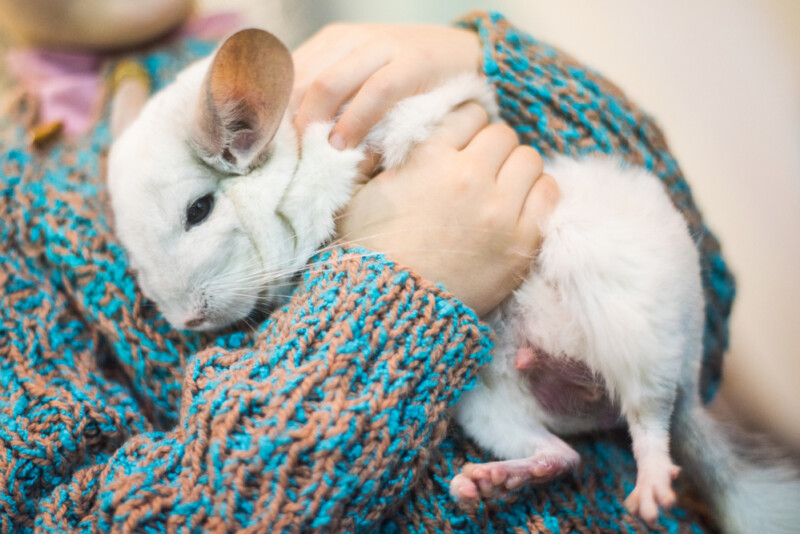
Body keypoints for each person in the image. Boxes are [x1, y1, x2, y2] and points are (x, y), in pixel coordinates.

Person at [0, 12, 731, 532]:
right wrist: (391, 296)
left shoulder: (315, 42)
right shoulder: (23, 216)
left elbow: (707, 331)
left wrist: (500, 70)